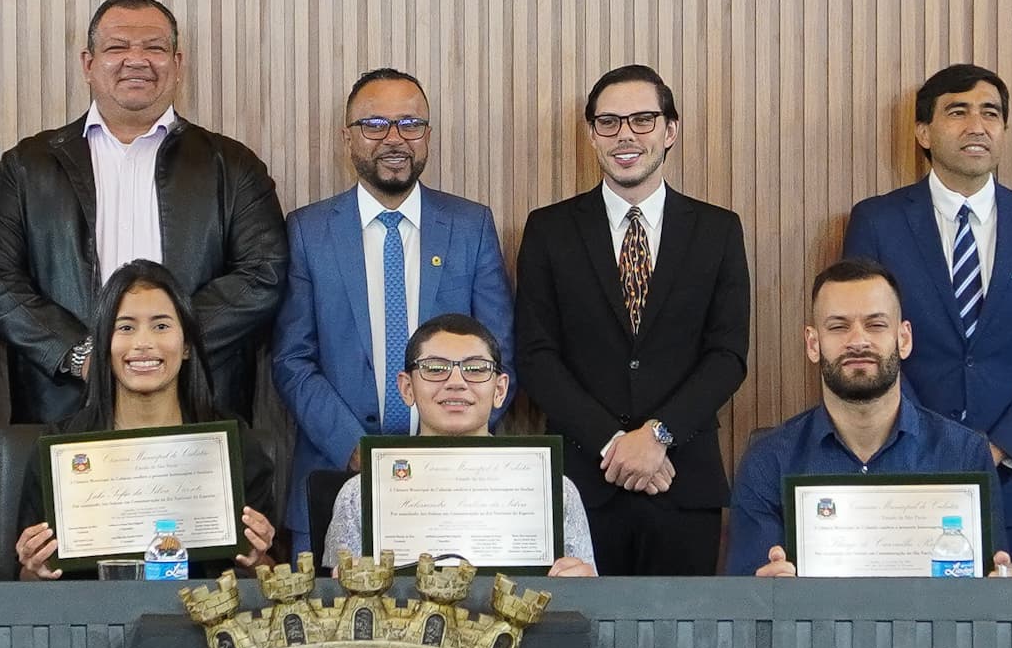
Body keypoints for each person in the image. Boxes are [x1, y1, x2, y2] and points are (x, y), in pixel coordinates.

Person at [0, 0, 290, 424]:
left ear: (177, 64)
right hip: (65, 404)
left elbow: (263, 272)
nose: (136, 60)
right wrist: (83, 353)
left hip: (198, 406)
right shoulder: (28, 166)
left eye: (154, 48)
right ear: (88, 63)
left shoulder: (231, 165)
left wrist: (170, 344)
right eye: (117, 47)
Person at [839, 63, 1012, 563]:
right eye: (958, 112)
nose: (977, 125)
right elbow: (862, 344)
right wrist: (923, 442)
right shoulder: (878, 221)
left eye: (991, 113)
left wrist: (998, 448)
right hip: (902, 471)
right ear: (923, 132)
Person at [513, 65, 752, 576]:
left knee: (681, 646)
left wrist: (658, 434)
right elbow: (536, 356)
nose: (625, 134)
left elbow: (727, 356)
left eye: (643, 119)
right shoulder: (549, 229)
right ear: (592, 135)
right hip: (582, 482)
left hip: (683, 481)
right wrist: (615, 444)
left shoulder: (718, 230)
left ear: (670, 131)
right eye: (609, 122)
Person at [269, 68, 517, 541]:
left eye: (410, 124)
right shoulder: (308, 231)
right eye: (374, 125)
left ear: (427, 135)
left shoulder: (471, 226)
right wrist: (357, 449)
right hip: (335, 475)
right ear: (348, 137)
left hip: (457, 484)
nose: (394, 139)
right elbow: (292, 360)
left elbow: (499, 353)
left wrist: (443, 445)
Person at [725, 261, 1006, 575]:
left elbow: (986, 596)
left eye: (876, 324)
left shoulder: (964, 454)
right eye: (838, 326)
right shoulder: (769, 462)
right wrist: (765, 593)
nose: (858, 340)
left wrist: (997, 589)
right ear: (813, 343)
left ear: (904, 339)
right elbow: (749, 604)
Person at [10, 261, 286, 578]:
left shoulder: (235, 446)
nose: (143, 343)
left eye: (161, 326)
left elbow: (271, 572)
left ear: (186, 346)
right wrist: (35, 567)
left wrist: (258, 560)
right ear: (103, 345)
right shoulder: (59, 450)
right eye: (125, 327)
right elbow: (26, 580)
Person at [316, 314, 598, 572]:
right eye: (435, 368)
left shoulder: (554, 491)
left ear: (499, 390)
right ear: (406, 388)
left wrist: (580, 586)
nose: (456, 382)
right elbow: (339, 603)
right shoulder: (360, 494)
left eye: (475, 369)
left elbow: (583, 597)